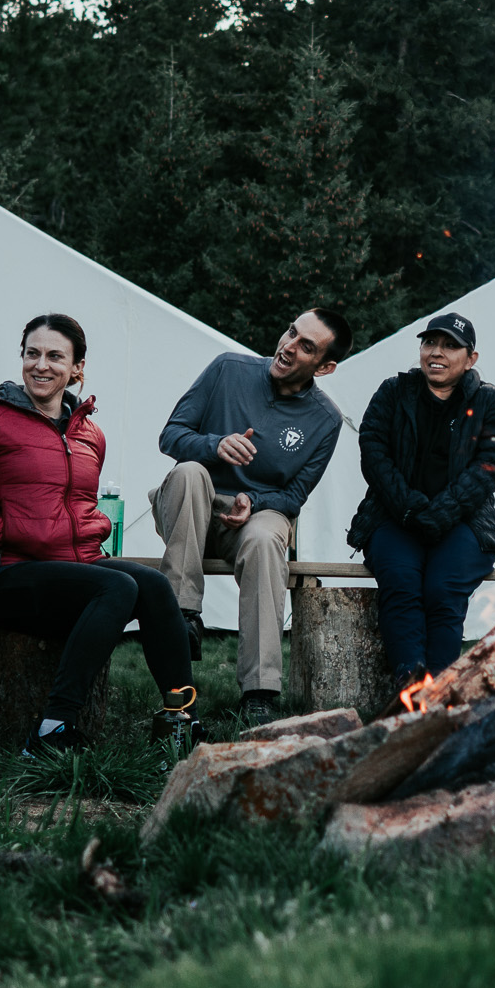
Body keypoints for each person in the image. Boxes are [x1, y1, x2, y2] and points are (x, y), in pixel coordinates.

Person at [0, 314, 199, 752]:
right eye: (32, 354)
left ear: (77, 369)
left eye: (55, 356)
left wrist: (95, 527)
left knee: (154, 585)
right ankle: (53, 728)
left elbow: (77, 506)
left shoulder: (91, 434)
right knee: (117, 587)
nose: (41, 365)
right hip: (4, 575)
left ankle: (181, 717)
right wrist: (5, 530)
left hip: (73, 571)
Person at [153, 309, 349, 726]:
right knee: (189, 471)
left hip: (252, 518)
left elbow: (295, 495)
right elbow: (170, 435)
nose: (288, 347)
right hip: (188, 510)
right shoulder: (228, 368)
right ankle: (183, 615)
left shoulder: (326, 419)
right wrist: (214, 445)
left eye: (306, 346)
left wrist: (252, 503)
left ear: (325, 367)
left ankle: (259, 692)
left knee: (265, 540)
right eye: (291, 331)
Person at [346, 311, 495, 688]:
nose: (436, 352)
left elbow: (490, 466)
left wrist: (440, 513)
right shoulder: (393, 391)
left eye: (450, 345)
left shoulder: (491, 404)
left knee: (442, 589)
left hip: (465, 521)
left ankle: (438, 689)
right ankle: (410, 681)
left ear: (471, 358)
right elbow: (373, 452)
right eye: (429, 343)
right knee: (401, 582)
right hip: (394, 515)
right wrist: (410, 507)